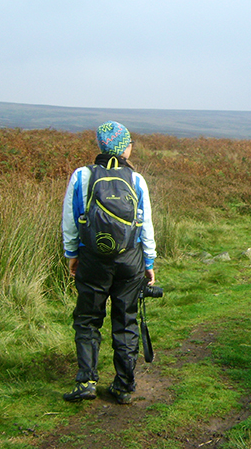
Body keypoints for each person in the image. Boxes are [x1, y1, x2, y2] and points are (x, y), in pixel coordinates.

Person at [61, 121, 156, 404]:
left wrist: (72, 255)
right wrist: (149, 261)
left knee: (88, 319)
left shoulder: (82, 176)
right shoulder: (136, 180)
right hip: (130, 260)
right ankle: (124, 386)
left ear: (101, 146)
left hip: (92, 258)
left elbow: (70, 221)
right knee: (125, 320)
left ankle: (87, 381)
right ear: (125, 147)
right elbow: (147, 225)